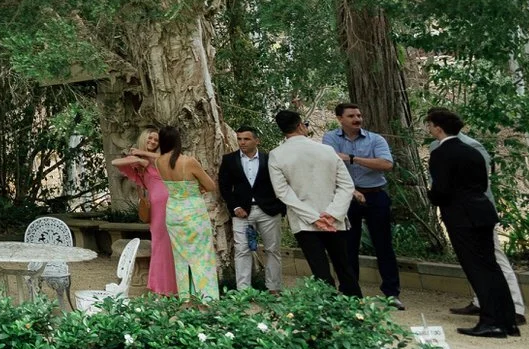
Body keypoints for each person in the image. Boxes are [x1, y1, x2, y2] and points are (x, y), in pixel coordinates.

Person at [425, 108, 518, 338]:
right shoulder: (473, 151)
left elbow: (441, 188)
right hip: (482, 211)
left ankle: (490, 321)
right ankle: (507, 320)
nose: (429, 128)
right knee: (491, 267)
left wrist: (432, 197)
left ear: (438, 127)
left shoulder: (440, 153)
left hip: (461, 215)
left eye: (430, 125)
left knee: (476, 269)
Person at [115, 127, 220, 301]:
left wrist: (139, 154)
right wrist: (195, 189)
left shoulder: (158, 163)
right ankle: (205, 298)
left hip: (173, 211)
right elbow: (210, 186)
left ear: (162, 142)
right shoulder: (189, 161)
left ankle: (185, 297)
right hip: (192, 211)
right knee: (201, 255)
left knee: (179, 257)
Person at [268, 109, 359, 294]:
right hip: (334, 220)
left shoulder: (276, 155)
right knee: (344, 266)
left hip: (304, 222)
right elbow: (346, 186)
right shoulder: (326, 150)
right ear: (301, 125)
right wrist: (333, 214)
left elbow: (283, 192)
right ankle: (355, 309)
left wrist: (313, 218)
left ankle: (327, 311)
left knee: (320, 269)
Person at [323, 102, 401, 307]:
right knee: (348, 247)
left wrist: (352, 158)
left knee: (383, 245)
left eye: (359, 115)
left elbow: (386, 164)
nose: (357, 119)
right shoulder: (330, 138)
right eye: (351, 116)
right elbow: (330, 164)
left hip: (376, 195)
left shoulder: (376, 139)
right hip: (346, 198)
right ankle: (351, 293)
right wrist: (354, 184)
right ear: (340, 119)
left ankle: (392, 293)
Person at [447, 129, 527, 326]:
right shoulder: (436, 147)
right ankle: (480, 300)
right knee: (471, 259)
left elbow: (481, 181)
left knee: (494, 257)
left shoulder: (472, 146)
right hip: (456, 211)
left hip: (478, 211)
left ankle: (515, 307)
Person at [218, 125, 284, 291]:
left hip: (268, 211)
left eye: (246, 139)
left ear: (257, 140)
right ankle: (243, 291)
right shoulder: (229, 160)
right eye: (239, 139)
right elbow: (224, 187)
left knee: (273, 250)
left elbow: (282, 183)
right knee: (242, 251)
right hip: (242, 213)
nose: (242, 142)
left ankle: (273, 288)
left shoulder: (269, 159)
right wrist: (235, 207)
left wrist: (280, 207)